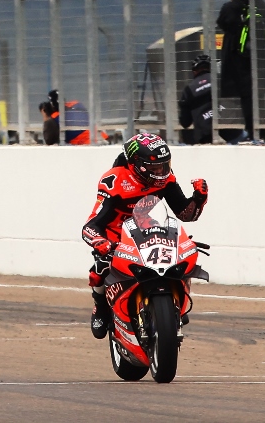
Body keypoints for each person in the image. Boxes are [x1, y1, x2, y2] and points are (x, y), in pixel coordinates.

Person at [81, 133, 208, 339]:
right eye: (154, 167)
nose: (161, 172)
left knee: (179, 260)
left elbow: (185, 214)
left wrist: (199, 198)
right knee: (100, 269)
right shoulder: (114, 180)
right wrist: (100, 241)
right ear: (136, 164)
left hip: (148, 229)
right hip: (116, 236)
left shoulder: (165, 178)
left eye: (164, 166)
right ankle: (100, 307)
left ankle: (176, 303)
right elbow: (92, 224)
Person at [216, 0, 265, 142]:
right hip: (261, 60)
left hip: (238, 63)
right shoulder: (260, 4)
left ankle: (250, 133)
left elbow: (222, 24)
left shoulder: (230, 7)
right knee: (259, 100)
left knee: (243, 101)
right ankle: (264, 133)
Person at [178, 54, 213, 144]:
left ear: (194, 72)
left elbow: (185, 122)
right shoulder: (220, 80)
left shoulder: (189, 89)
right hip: (230, 132)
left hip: (205, 136)